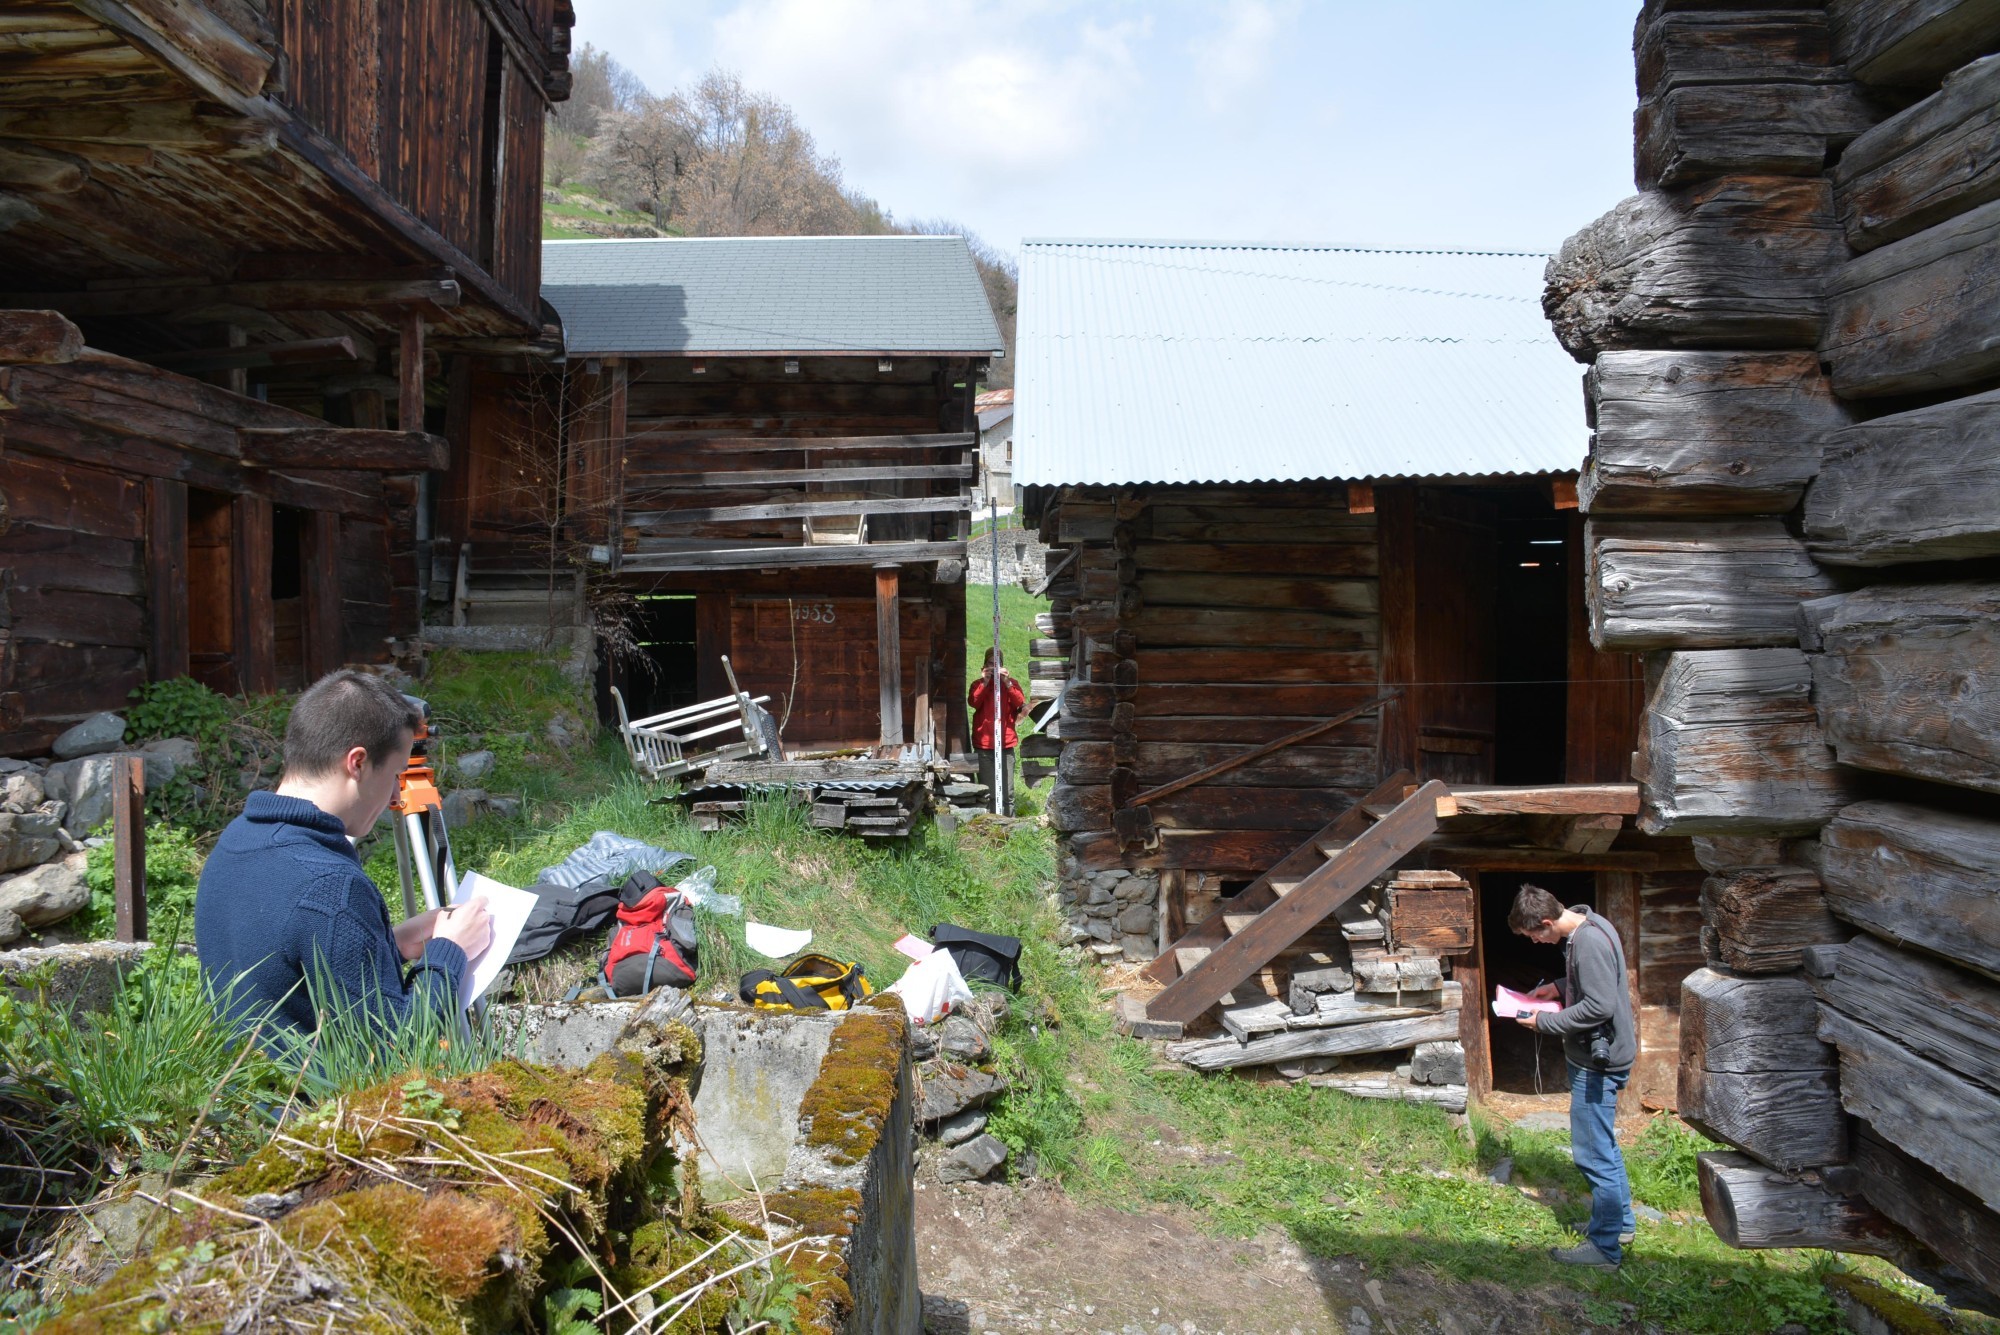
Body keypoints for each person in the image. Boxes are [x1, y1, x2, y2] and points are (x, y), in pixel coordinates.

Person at [196, 669, 493, 1038]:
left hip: (252, 1091)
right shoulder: (330, 885)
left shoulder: (236, 840)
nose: (397, 798)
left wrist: (389, 945)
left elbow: (288, 979)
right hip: (320, 1097)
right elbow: (397, 1045)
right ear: (357, 763)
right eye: (396, 774)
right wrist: (452, 951)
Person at [1509, 883, 1638, 1270]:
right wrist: (1559, 988)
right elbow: (1596, 981)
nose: (1535, 942)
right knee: (1605, 1148)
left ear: (1548, 922)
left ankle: (1604, 1250)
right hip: (1595, 1058)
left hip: (1598, 1066)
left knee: (1593, 1155)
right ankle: (1619, 1225)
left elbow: (1600, 1005)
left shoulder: (1588, 943)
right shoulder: (1590, 924)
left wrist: (1544, 1021)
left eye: (1534, 935)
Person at [967, 648, 1026, 815]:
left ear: (1002, 665)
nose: (994, 667)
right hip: (984, 746)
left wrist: (1006, 682)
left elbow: (1020, 703)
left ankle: (1010, 824)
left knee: (1008, 791)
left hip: (1006, 745)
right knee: (988, 791)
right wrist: (985, 682)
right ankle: (991, 824)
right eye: (990, 664)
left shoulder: (1010, 684)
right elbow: (973, 702)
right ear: (984, 665)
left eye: (997, 664)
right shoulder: (978, 684)